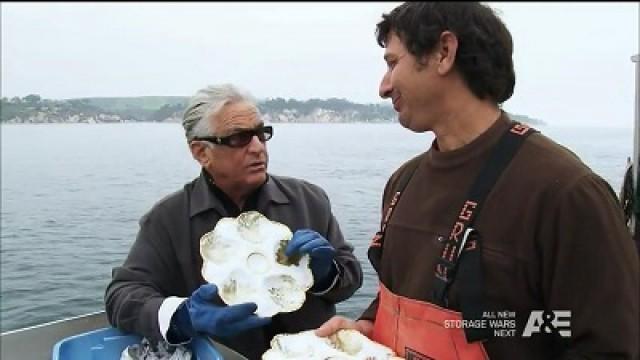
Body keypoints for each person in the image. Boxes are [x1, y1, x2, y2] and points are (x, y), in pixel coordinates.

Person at [316, 2, 639, 359]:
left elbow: (609, 345)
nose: (383, 86)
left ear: (444, 52)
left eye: (393, 63)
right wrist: (365, 331)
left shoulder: (566, 193)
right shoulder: (402, 184)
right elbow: (401, 297)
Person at [105, 84, 363, 360]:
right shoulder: (168, 219)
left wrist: (326, 275)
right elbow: (121, 296)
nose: (257, 148)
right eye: (239, 138)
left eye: (261, 134)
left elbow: (350, 278)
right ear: (201, 152)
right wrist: (184, 317)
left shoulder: (309, 200)